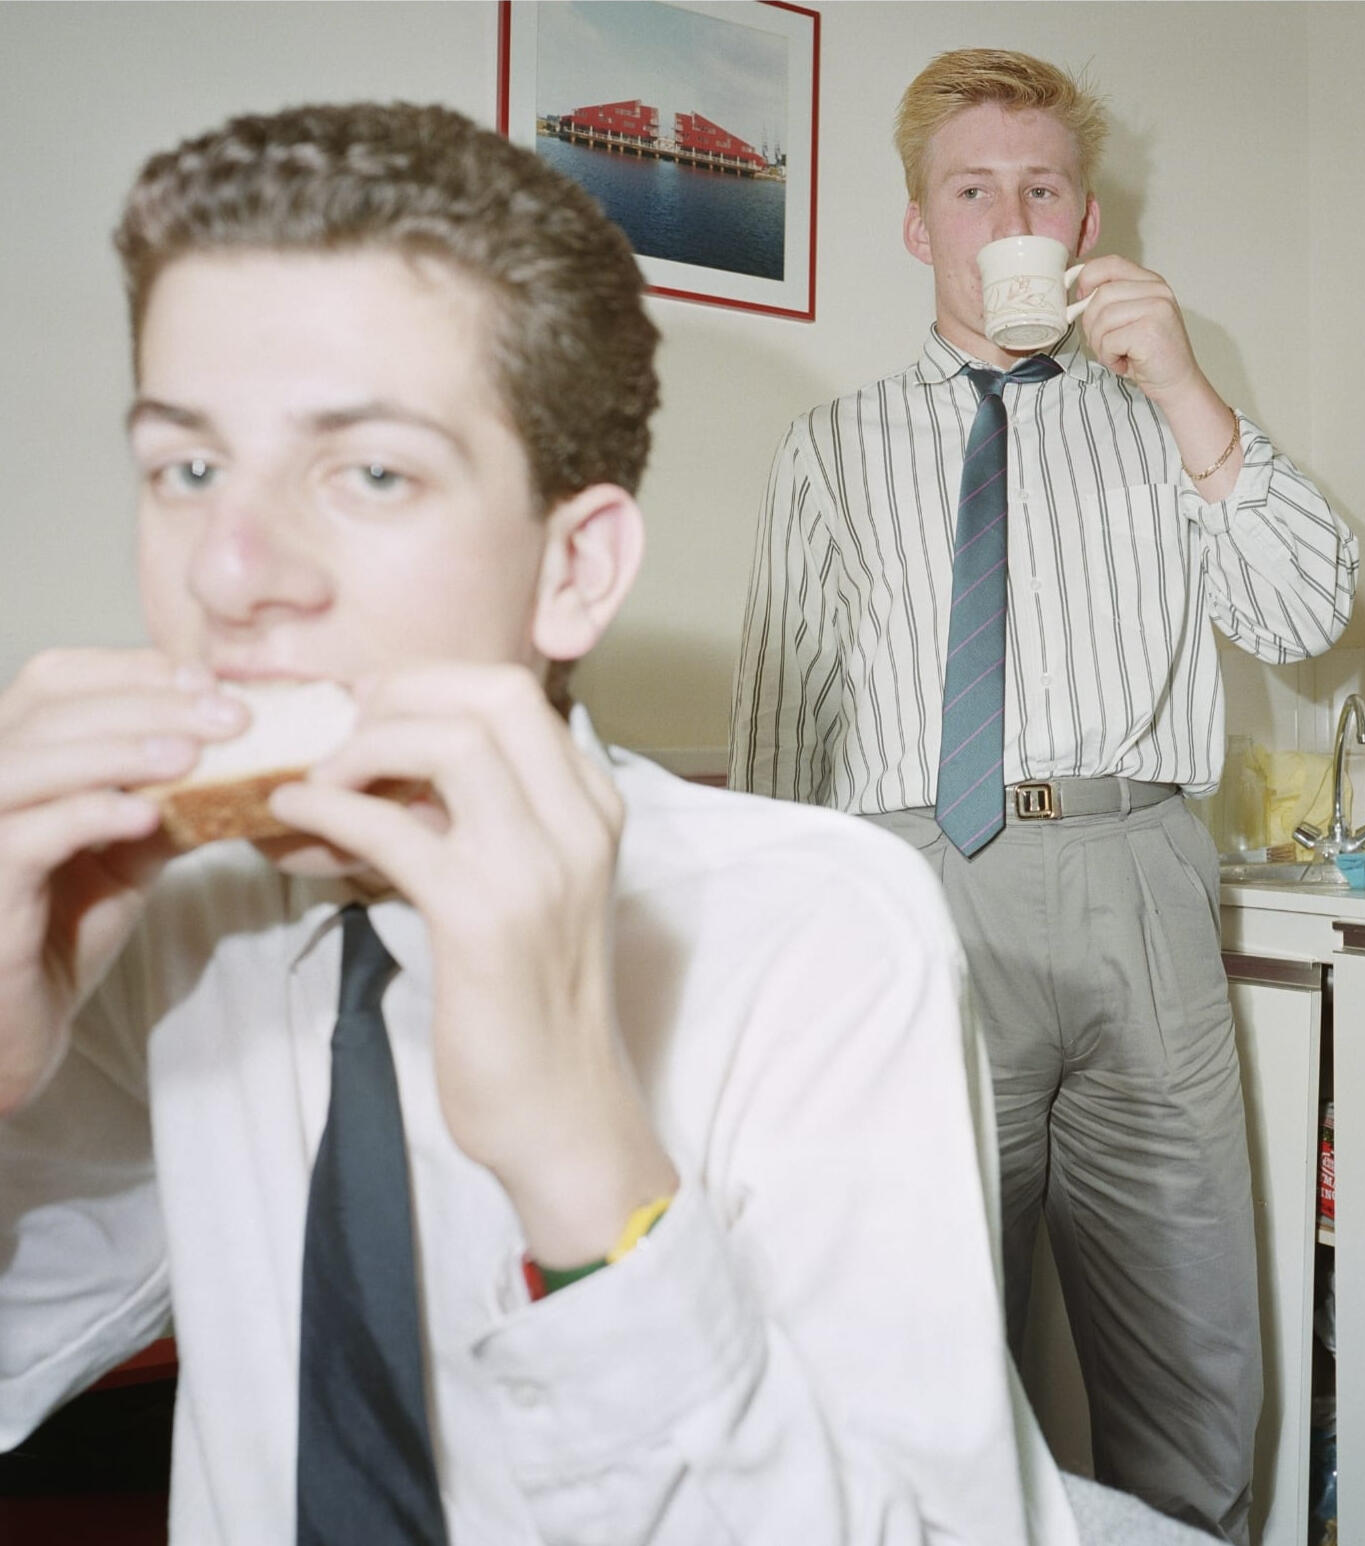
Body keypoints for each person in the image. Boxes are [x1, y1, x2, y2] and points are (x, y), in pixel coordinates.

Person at [0, 99, 1221, 1546]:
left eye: (370, 470)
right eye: (187, 469)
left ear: (574, 570)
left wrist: (585, 1162)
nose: (233, 568)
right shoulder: (163, 928)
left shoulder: (811, 932)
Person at [730, 48, 1359, 1546]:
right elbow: (777, 732)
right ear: (918, 225)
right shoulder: (829, 445)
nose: (1005, 212)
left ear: (1078, 223)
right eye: (971, 189)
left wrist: (1191, 389)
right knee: (920, 1340)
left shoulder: (1159, 415)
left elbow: (1305, 612)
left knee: (1194, 1336)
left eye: (1038, 186)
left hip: (1139, 871)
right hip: (910, 890)